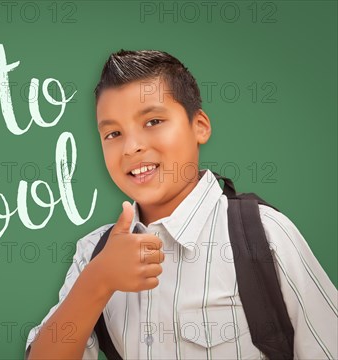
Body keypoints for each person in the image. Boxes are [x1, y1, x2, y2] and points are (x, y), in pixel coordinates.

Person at [25, 50, 338, 359]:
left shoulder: (264, 235)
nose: (132, 147)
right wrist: (98, 281)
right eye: (113, 133)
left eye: (153, 121)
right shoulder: (94, 254)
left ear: (199, 125)